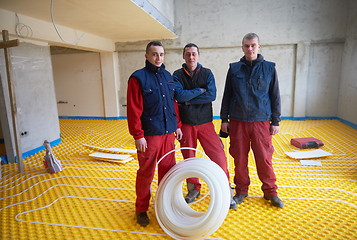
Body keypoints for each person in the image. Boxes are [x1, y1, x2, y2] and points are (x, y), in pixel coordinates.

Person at [220, 33, 284, 208]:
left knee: (264, 158)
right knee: (239, 158)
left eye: (253, 45)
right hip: (238, 121)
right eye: (246, 46)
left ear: (259, 47)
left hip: (261, 121)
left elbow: (275, 96)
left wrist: (276, 121)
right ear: (242, 47)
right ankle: (241, 190)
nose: (250, 49)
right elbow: (227, 95)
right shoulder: (234, 69)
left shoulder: (269, 68)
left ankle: (270, 192)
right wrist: (224, 119)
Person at [173, 43, 236, 209]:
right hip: (186, 125)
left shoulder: (207, 73)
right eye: (188, 54)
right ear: (183, 56)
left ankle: (225, 189)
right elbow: (179, 95)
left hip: (206, 124)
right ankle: (193, 189)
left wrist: (188, 99)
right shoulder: (177, 75)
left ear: (198, 56)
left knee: (219, 157)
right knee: (189, 159)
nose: (191, 57)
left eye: (194, 54)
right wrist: (199, 91)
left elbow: (212, 95)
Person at [127, 41, 183, 227]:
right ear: (146, 56)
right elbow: (134, 110)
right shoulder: (138, 78)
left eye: (161, 54)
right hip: (150, 135)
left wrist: (178, 125)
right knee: (146, 173)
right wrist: (138, 135)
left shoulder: (168, 77)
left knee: (167, 172)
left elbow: (174, 105)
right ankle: (141, 209)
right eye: (154, 54)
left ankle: (164, 204)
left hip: (168, 134)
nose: (158, 58)